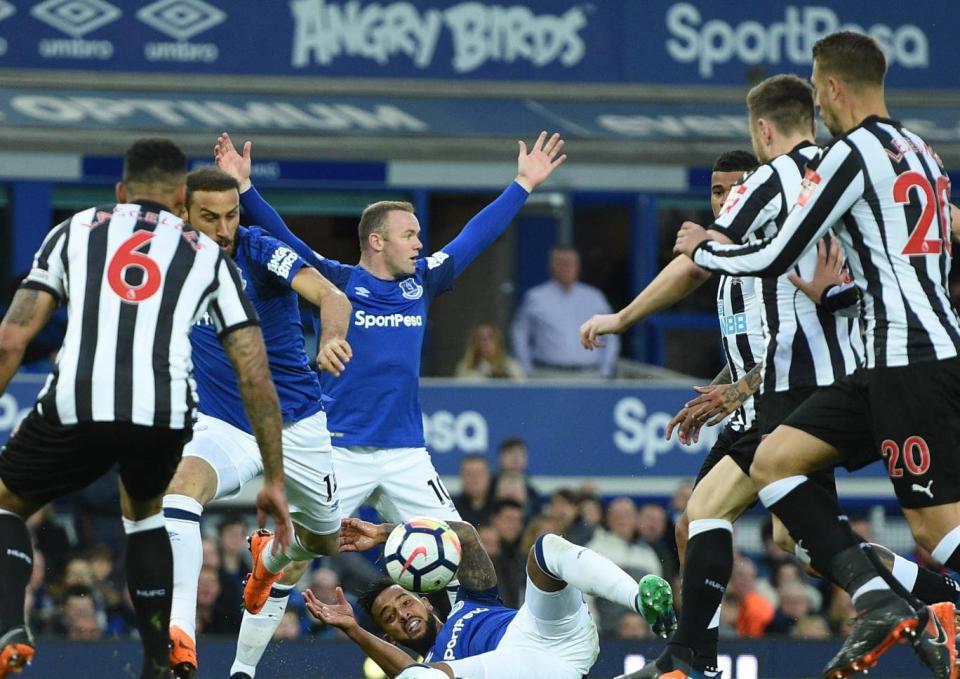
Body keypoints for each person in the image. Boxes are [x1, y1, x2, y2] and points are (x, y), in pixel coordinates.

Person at [212, 130, 566, 677]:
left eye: (420, 234)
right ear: (377, 241)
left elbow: (476, 238)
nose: (420, 243)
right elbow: (279, 234)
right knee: (296, 559)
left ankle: (487, 661)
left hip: (406, 455)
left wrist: (522, 184)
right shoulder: (335, 279)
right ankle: (241, 669)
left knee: (460, 559)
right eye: (409, 235)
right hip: (339, 450)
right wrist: (246, 187)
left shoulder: (421, 283)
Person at [673, 31, 960, 678]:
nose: (819, 112)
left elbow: (776, 253)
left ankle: (903, 599)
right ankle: (878, 596)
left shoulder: (848, 157)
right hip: (904, 355)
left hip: (905, 362)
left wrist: (702, 250)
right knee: (778, 460)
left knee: (938, 533)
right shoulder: (924, 153)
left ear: (831, 88)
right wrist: (841, 296)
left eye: (818, 90)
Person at [0, 139, 290, 679]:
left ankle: (8, 628)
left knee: (7, 505)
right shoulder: (206, 255)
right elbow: (255, 373)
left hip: (76, 405)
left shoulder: (75, 231)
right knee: (146, 518)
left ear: (120, 192)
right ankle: (158, 655)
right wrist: (273, 476)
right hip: (162, 414)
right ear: (182, 196)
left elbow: (12, 338)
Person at [160, 166, 352, 679]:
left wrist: (330, 338)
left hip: (298, 424)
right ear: (183, 213)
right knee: (180, 494)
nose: (224, 229)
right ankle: (182, 634)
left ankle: (269, 560)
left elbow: (332, 295)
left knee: (323, 542)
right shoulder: (166, 258)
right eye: (209, 218)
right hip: (228, 425)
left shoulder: (259, 248)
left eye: (231, 215)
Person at [302, 516, 676, 679]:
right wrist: (353, 629)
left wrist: (389, 533)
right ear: (390, 638)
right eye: (389, 617)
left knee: (545, 550)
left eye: (404, 602)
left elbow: (464, 535)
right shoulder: (432, 665)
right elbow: (407, 671)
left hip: (550, 635)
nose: (402, 614)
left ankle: (639, 599)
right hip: (522, 668)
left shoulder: (469, 600)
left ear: (426, 600)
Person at [512, 246, 619, 377]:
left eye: (570, 263)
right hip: (547, 374)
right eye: (561, 263)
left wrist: (605, 370)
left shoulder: (595, 297)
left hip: (589, 375)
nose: (566, 267)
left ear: (578, 267)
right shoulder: (535, 297)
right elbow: (520, 333)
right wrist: (526, 368)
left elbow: (611, 334)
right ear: (552, 267)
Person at [455, 323, 524, 380]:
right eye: (481, 338)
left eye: (490, 337)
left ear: (498, 341)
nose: (485, 341)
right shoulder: (465, 368)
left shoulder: (512, 367)